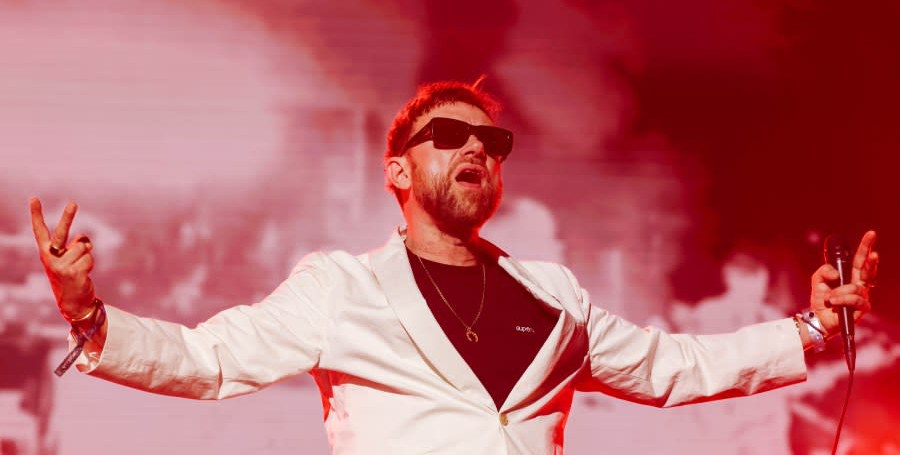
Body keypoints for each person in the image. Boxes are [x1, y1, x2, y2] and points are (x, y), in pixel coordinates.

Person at [30, 80, 879, 455]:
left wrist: (812, 326)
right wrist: (90, 317)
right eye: (450, 136)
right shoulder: (342, 288)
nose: (477, 147)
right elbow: (210, 361)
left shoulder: (555, 295)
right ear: (398, 170)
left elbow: (671, 367)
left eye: (493, 143)